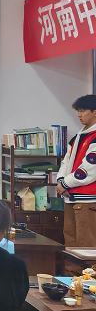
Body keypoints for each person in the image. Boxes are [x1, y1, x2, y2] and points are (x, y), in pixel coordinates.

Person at [57, 95, 96, 272]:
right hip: (71, 197)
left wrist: (66, 183)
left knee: (86, 246)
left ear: (94, 112)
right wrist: (61, 180)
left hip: (88, 200)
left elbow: (89, 168)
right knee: (70, 245)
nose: (79, 115)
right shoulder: (79, 136)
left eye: (83, 111)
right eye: (78, 111)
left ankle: (88, 282)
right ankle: (72, 281)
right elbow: (66, 161)